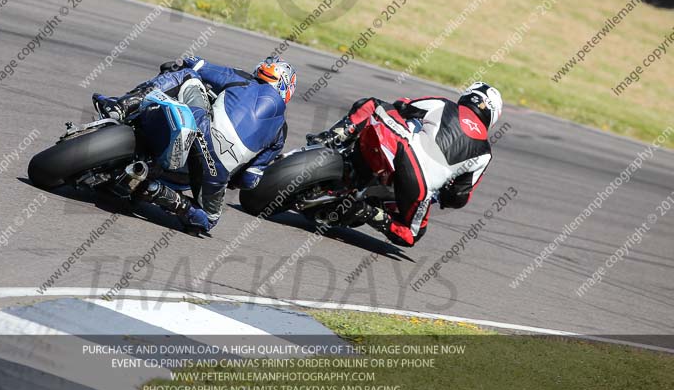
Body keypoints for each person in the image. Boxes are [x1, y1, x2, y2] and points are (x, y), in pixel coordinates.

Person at [93, 56, 296, 234]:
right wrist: (230, 176)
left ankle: (120, 106)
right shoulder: (281, 132)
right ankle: (156, 191)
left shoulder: (243, 78)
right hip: (216, 172)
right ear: (287, 88)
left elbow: (197, 64)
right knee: (208, 219)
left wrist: (182, 63)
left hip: (200, 130)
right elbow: (249, 180)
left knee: (187, 74)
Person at [307, 82, 502, 247]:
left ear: (469, 96)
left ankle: (329, 139)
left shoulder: (444, 104)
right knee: (411, 235)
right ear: (492, 117)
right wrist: (444, 193)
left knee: (374, 105)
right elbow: (458, 197)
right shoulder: (485, 153)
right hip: (420, 186)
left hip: (402, 148)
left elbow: (402, 106)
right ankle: (367, 211)